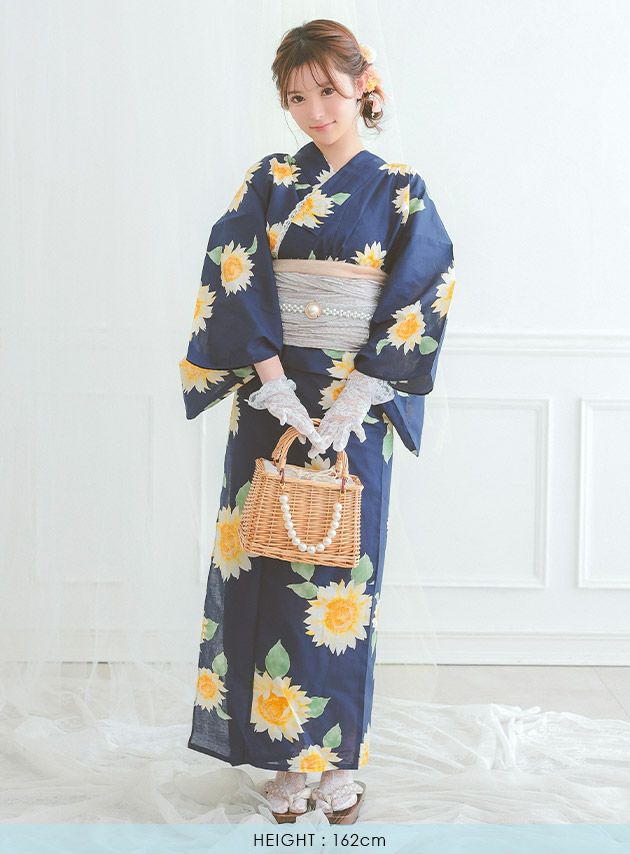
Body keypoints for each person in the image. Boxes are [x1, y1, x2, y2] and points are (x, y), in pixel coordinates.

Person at [179, 18, 455, 823]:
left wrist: (360, 392)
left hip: (353, 406)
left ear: (361, 86)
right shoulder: (269, 179)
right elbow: (233, 273)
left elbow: (423, 287)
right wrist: (272, 385)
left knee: (341, 582)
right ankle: (279, 760)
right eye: (296, 98)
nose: (314, 111)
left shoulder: (400, 189)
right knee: (266, 566)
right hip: (272, 399)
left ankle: (337, 760)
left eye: (327, 92)